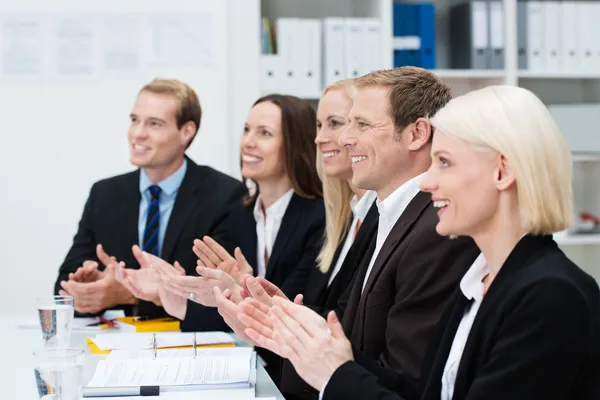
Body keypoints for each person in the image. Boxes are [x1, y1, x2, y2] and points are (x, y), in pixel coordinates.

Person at [244, 85, 600, 399]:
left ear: (502, 172)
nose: (427, 183)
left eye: (444, 163)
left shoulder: (550, 295)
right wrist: (317, 344)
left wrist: (336, 374)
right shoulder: (479, 282)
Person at [224, 66, 481, 391]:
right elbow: (353, 331)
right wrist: (285, 318)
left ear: (416, 134)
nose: (345, 139)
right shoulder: (387, 214)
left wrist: (292, 331)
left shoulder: (435, 230)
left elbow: (404, 379)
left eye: (361, 125)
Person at [121, 94, 325, 383]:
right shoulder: (239, 213)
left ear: (296, 144)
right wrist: (181, 291)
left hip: (293, 381)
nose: (248, 142)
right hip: (248, 371)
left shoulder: (319, 218)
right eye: (246, 130)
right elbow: (221, 309)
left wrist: (234, 295)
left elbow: (293, 311)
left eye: (264, 133)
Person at [55, 78, 245, 329]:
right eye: (134, 120)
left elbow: (216, 293)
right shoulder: (105, 194)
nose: (137, 133)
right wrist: (86, 284)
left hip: (189, 345)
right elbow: (62, 284)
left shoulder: (225, 195)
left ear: (186, 132)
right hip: (116, 345)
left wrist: (127, 291)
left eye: (154, 124)